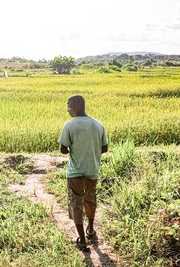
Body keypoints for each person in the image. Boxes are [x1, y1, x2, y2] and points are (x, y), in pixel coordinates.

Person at [57, 95, 108, 252]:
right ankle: (91, 230)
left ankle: (82, 241)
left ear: (77, 106)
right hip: (92, 170)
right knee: (90, 200)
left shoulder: (70, 126)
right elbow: (105, 148)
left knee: (76, 203)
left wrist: (76, 148)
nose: (68, 110)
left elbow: (63, 149)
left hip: (75, 172)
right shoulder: (98, 125)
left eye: (69, 106)